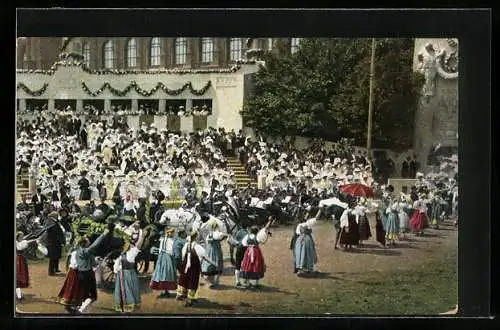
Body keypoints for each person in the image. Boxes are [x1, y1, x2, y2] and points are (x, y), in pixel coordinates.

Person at [74, 225, 113, 314]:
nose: (89, 242)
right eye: (88, 242)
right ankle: (82, 309)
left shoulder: (78, 250)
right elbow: (95, 244)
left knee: (88, 292)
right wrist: (103, 234)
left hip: (81, 273)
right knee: (89, 294)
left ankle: (83, 306)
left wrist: (96, 261)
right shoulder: (85, 251)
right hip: (87, 274)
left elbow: (92, 262)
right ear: (85, 244)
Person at [176, 230, 218, 307]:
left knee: (184, 280)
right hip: (194, 268)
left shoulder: (186, 245)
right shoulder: (198, 247)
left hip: (186, 266)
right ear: (196, 238)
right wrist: (214, 264)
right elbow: (206, 257)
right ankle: (190, 298)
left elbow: (182, 256)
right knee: (193, 282)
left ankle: (180, 295)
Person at [113, 229, 145, 313]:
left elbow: (115, 268)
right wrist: (142, 237)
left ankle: (126, 306)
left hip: (123, 274)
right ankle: (129, 306)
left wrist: (118, 270)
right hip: (129, 274)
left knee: (126, 289)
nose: (132, 245)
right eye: (130, 244)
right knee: (131, 289)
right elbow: (138, 246)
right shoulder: (130, 253)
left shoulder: (123, 255)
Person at [240, 217, 274, 288]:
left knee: (247, 264)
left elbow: (243, 243)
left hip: (249, 251)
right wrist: (269, 221)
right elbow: (265, 229)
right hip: (256, 251)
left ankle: (247, 280)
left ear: (250, 231)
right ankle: (255, 283)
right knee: (256, 265)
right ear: (256, 231)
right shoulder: (258, 236)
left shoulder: (247, 236)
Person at [149, 227, 178, 298]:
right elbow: (164, 249)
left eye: (172, 232)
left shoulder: (171, 240)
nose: (172, 234)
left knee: (167, 273)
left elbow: (171, 251)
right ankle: (164, 290)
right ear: (167, 233)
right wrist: (158, 251)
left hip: (168, 257)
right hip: (163, 257)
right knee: (162, 273)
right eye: (170, 232)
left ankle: (166, 290)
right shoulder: (163, 240)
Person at [200, 220, 227, 289]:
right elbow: (221, 236)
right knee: (218, 265)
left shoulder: (209, 234)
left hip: (209, 251)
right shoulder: (218, 233)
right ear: (217, 226)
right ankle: (216, 283)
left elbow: (207, 241)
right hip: (216, 250)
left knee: (209, 265)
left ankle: (211, 282)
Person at [57, 249, 84, 314]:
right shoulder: (80, 253)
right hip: (76, 272)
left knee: (70, 287)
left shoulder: (74, 252)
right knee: (74, 288)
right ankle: (69, 304)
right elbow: (77, 265)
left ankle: (70, 304)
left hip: (72, 271)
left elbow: (69, 262)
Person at [16, 232, 38, 300]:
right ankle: (18, 296)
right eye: (21, 236)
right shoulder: (17, 243)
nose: (23, 237)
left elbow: (27, 240)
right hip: (18, 260)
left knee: (20, 276)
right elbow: (20, 246)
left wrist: (34, 239)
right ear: (19, 236)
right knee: (19, 277)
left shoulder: (20, 241)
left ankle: (18, 295)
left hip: (21, 259)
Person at [232, 220, 249, 286]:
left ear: (241, 226)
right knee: (246, 265)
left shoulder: (238, 232)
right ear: (247, 227)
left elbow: (235, 241)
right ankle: (245, 280)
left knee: (237, 265)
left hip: (238, 249)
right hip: (245, 250)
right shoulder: (247, 233)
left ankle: (237, 281)